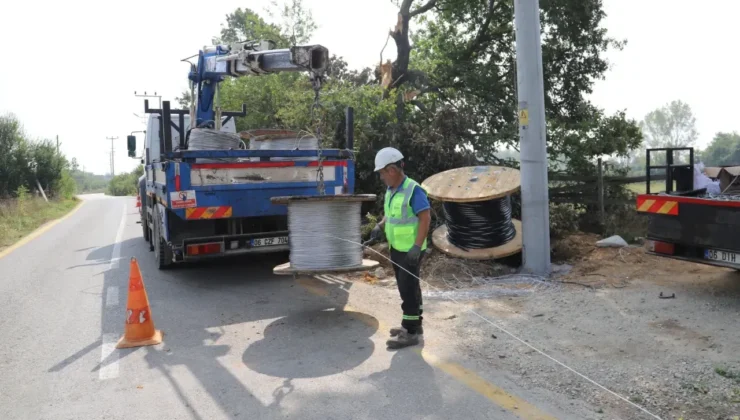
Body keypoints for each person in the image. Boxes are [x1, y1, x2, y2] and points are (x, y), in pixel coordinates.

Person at [370, 147, 432, 349]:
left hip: (411, 250)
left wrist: (416, 247)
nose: (381, 177)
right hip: (397, 247)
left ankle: (410, 331)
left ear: (392, 170)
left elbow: (425, 218)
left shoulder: (413, 190)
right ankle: (415, 324)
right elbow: (391, 215)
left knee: (407, 289)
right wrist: (380, 225)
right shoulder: (391, 191)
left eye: (381, 173)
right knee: (409, 287)